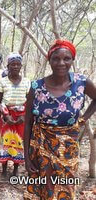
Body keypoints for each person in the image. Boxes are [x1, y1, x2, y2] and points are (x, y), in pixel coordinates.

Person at [23, 39, 96, 199]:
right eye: (56, 58)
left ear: (72, 60)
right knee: (42, 188)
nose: (61, 63)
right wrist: (27, 158)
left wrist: (83, 119)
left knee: (65, 188)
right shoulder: (36, 87)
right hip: (40, 147)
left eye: (66, 58)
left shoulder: (81, 83)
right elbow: (28, 124)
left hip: (67, 150)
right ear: (49, 60)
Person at [0, 53, 30, 177]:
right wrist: (5, 115)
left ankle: (15, 170)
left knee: (18, 142)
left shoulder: (26, 82)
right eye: (12, 64)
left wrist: (24, 116)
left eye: (18, 64)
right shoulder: (2, 82)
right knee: (6, 142)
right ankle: (4, 170)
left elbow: (29, 100)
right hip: (6, 115)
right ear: (8, 66)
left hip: (21, 116)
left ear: (21, 66)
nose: (15, 66)